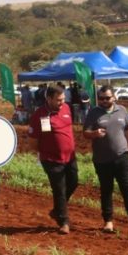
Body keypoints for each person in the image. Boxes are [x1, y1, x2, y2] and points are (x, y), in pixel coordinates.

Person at [83, 86, 128, 233]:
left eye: (107, 98)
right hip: (102, 159)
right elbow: (85, 133)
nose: (104, 101)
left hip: (123, 156)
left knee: (127, 189)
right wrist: (94, 133)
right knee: (106, 190)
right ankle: (108, 221)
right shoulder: (93, 112)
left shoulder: (122, 110)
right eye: (101, 98)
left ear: (114, 97)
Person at [29, 84, 76, 234]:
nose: (62, 102)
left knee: (74, 182)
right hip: (51, 159)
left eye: (63, 99)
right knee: (59, 189)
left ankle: (57, 210)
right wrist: (44, 152)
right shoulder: (39, 115)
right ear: (48, 99)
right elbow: (32, 141)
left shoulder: (67, 109)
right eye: (58, 100)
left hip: (70, 157)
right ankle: (64, 221)